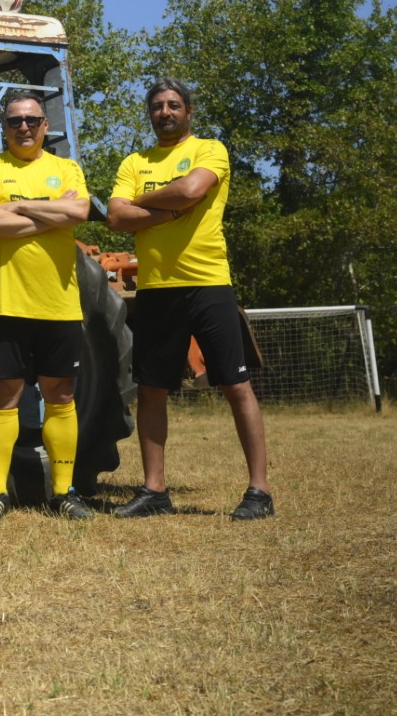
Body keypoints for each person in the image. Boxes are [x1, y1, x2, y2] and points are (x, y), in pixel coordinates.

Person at [107, 78, 273, 521]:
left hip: (208, 284)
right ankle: (154, 491)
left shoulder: (209, 150)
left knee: (236, 386)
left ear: (188, 112)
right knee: (151, 390)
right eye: (157, 106)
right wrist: (169, 207)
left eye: (173, 105)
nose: (165, 112)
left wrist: (145, 203)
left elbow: (191, 191)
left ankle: (259, 492)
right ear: (150, 114)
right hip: (155, 288)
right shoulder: (134, 161)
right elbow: (116, 216)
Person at [0, 93, 96, 522]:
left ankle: (64, 491)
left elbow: (79, 211)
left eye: (31, 120)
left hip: (59, 304)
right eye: (14, 121)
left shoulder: (67, 168)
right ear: (3, 127)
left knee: (61, 395)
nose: (23, 127)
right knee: (4, 395)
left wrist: (19, 207)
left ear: (45, 125)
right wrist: (50, 214)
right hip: (7, 303)